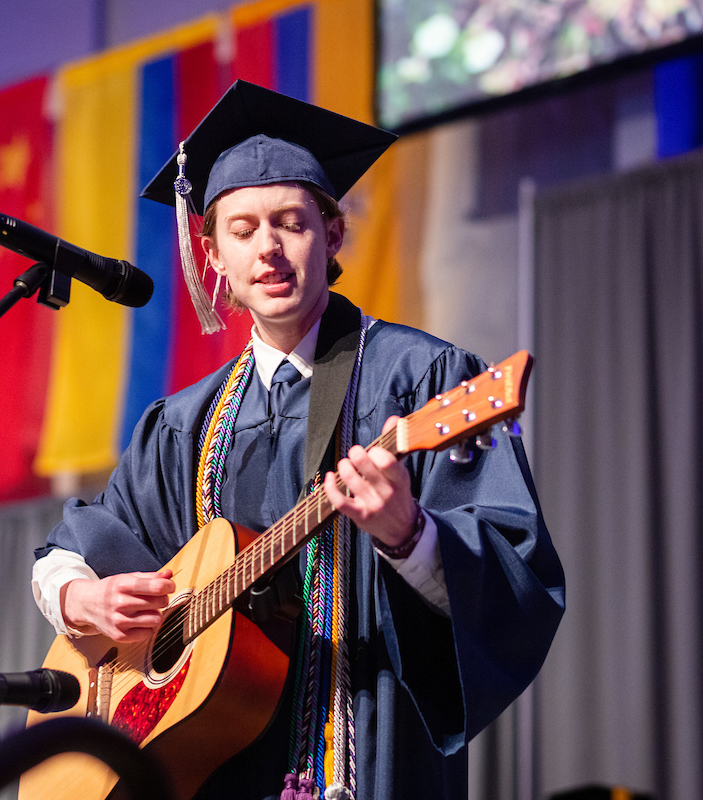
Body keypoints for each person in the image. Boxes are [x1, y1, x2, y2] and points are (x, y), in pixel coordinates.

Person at [31, 81, 565, 800]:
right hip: (209, 771)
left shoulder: (423, 379)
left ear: (333, 234)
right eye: (243, 229)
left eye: (292, 222)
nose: (270, 250)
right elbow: (73, 547)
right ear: (212, 255)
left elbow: (515, 570)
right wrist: (80, 601)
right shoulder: (185, 424)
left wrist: (408, 534)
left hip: (363, 755)